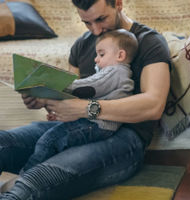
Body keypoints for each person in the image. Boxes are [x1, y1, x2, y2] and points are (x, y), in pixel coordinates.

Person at [0, 0, 171, 199]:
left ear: (118, 4)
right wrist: (43, 99)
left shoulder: (148, 42)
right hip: (78, 130)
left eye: (101, 19)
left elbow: (153, 105)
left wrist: (86, 108)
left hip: (125, 141)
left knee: (35, 179)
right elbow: (71, 97)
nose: (95, 30)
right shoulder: (83, 44)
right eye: (87, 22)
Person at [20, 29, 139, 174]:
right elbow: (87, 101)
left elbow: (89, 86)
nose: (96, 59)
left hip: (97, 124)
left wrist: (53, 82)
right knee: (57, 140)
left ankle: (26, 175)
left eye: (101, 54)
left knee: (49, 140)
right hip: (98, 123)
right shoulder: (118, 74)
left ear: (120, 55)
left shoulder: (116, 71)